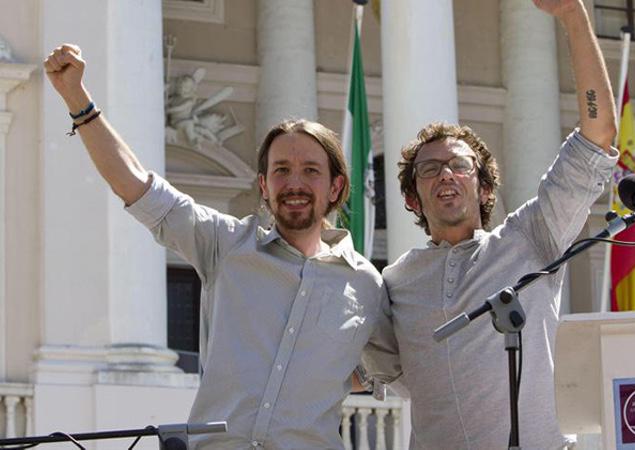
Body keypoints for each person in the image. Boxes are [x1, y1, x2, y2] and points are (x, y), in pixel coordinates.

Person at [44, 44, 386, 449]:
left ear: (337, 187)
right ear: (263, 185)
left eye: (311, 170)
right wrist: (76, 97)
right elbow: (136, 185)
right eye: (281, 171)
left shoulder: (368, 285)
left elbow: (387, 369)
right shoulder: (224, 244)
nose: (294, 183)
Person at [362, 0, 619, 448]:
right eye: (429, 169)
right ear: (411, 198)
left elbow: (597, 137)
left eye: (459, 165)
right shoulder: (394, 282)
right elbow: (364, 373)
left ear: (484, 189)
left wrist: (575, 17)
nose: (445, 174)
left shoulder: (531, 238)